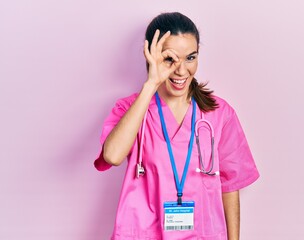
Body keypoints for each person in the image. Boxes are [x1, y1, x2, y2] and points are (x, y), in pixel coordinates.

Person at [94, 12, 259, 240]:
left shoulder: (219, 113)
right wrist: (151, 84)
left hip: (204, 234)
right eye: (170, 59)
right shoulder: (130, 109)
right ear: (151, 57)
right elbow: (112, 156)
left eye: (190, 58)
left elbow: (230, 186)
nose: (181, 70)